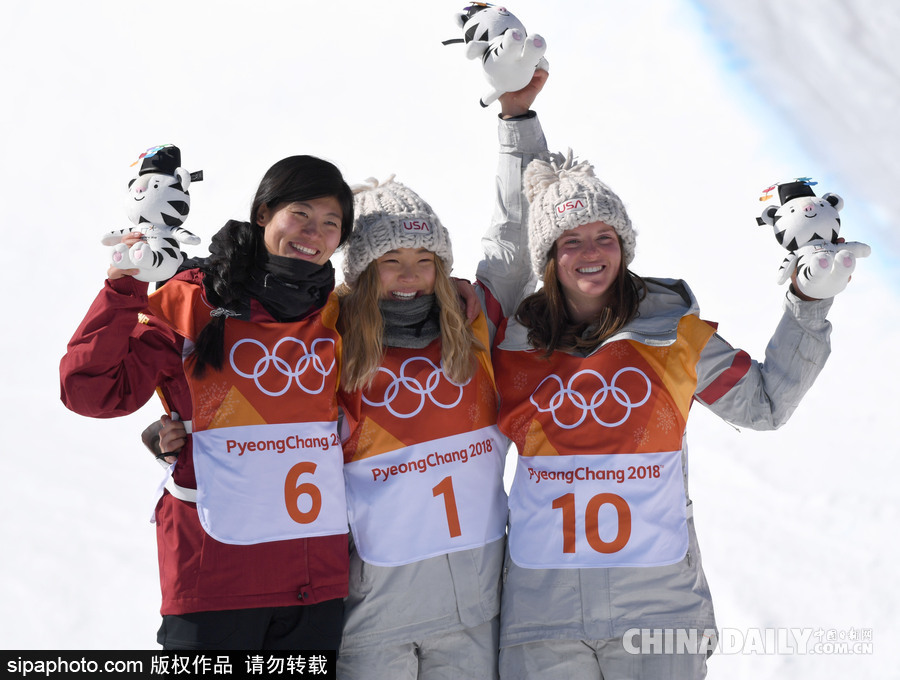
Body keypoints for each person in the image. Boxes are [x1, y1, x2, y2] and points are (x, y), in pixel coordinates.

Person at [475, 75, 835, 678]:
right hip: (543, 614)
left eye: (605, 236)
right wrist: (519, 118)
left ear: (624, 246)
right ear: (548, 256)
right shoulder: (511, 343)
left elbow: (766, 405)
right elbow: (507, 236)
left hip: (658, 609)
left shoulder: (671, 334)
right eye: (570, 240)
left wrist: (809, 302)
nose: (591, 251)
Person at [60, 154, 356, 650]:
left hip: (314, 580)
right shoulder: (193, 298)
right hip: (212, 579)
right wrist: (125, 279)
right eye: (300, 213)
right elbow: (93, 390)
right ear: (263, 213)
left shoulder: (343, 314)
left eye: (331, 223)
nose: (314, 232)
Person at [333, 177, 512, 679]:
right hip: (374, 617)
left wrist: (516, 122)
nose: (409, 275)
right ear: (363, 271)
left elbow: (512, 244)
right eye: (391, 260)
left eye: (425, 260)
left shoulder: (476, 327)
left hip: (471, 613)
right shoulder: (331, 342)